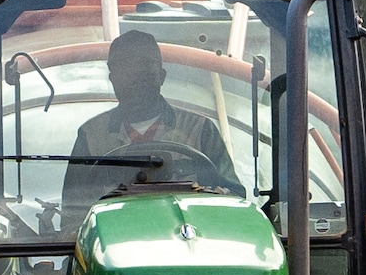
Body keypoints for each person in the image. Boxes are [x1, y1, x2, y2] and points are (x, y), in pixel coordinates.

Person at [63, 25, 242, 199]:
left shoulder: (201, 131)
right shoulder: (91, 136)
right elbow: (73, 214)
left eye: (143, 76)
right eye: (126, 76)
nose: (134, 85)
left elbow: (234, 200)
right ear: (113, 80)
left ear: (161, 77)